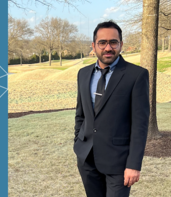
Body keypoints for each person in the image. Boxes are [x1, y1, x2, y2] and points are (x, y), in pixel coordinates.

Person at [73, 20, 150, 197]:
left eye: (113, 42)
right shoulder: (83, 74)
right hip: (87, 159)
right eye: (102, 42)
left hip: (119, 162)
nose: (108, 48)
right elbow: (81, 114)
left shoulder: (136, 75)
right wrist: (78, 143)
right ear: (94, 45)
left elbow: (140, 125)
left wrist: (134, 164)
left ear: (121, 44)